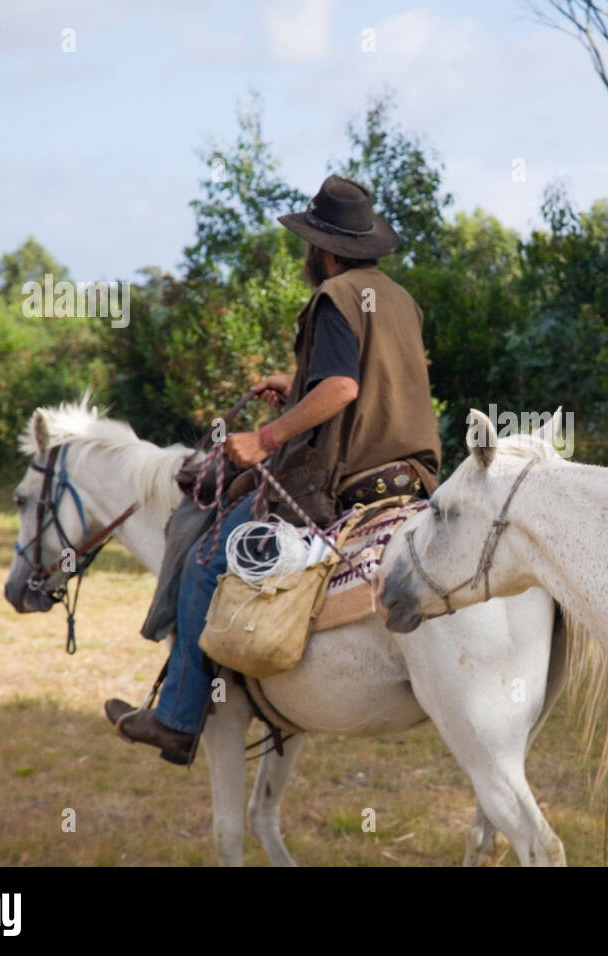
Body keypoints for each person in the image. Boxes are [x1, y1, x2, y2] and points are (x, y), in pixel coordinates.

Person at [105, 175, 442, 763]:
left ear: (325, 248)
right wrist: (297, 385)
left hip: (346, 477)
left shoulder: (333, 298)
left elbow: (341, 386)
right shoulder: (398, 300)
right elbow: (372, 384)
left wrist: (266, 438)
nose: (307, 254)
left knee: (208, 553)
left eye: (310, 242)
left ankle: (179, 719)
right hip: (411, 475)